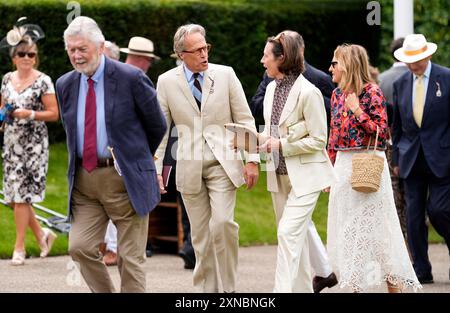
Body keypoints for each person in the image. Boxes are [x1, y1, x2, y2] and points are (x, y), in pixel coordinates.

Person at [56, 16, 166, 293]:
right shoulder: (65, 84)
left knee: (130, 260)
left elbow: (157, 125)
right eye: (72, 50)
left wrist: (136, 158)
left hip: (125, 181)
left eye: (83, 48)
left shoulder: (131, 78)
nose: (77, 56)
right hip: (84, 182)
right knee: (79, 248)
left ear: (101, 46)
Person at [155, 23, 259, 293]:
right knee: (200, 238)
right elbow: (161, 131)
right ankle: (206, 293)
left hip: (223, 164)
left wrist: (252, 160)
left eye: (206, 47)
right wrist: (156, 169)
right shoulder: (166, 82)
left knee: (223, 224)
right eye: (198, 50)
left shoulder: (226, 75)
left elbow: (246, 120)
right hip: (188, 167)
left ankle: (230, 290)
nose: (204, 54)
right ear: (181, 54)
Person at [326, 43, 421, 292]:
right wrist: (328, 170)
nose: (330, 68)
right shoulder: (335, 95)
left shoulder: (372, 92)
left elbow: (382, 133)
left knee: (378, 232)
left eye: (335, 63)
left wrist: (357, 111)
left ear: (348, 64)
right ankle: (355, 286)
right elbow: (333, 136)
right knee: (346, 230)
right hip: (343, 168)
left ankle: (393, 284)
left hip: (368, 166)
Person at [250, 31, 338, 293]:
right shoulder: (270, 90)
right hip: (277, 174)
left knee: (287, 234)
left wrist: (283, 144)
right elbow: (271, 133)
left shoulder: (309, 92)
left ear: (282, 58)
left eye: (266, 56)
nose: (262, 61)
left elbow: (318, 141)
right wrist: (251, 141)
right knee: (294, 241)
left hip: (306, 178)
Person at [392, 34, 450, 284]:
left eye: (416, 59)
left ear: (427, 56)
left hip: (443, 157)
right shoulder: (401, 83)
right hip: (411, 158)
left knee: (439, 210)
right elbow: (397, 126)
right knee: (413, 217)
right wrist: (395, 158)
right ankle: (421, 270)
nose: (412, 64)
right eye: (408, 59)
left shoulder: (446, 78)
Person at [0, 21, 59, 266]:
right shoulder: (6, 79)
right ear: (14, 58)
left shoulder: (44, 81)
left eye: (31, 54)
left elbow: (54, 113)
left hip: (34, 146)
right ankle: (42, 234)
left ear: (36, 58)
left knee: (22, 197)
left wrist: (31, 114)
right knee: (13, 198)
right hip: (12, 144)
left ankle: (20, 247)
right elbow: (2, 109)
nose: (26, 57)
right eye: (22, 54)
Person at [120, 35, 160, 258]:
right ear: (143, 59)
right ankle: (135, 248)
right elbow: (154, 122)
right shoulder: (140, 80)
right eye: (149, 60)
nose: (149, 65)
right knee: (134, 200)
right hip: (133, 151)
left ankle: (125, 247)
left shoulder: (112, 75)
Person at [378, 37, 408, 238]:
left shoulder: (381, 79)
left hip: (389, 144)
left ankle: (398, 236)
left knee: (393, 192)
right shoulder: (416, 76)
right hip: (417, 145)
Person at [99, 40, 120, 266]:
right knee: (99, 199)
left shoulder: (124, 83)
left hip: (118, 151)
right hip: (94, 152)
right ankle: (103, 245)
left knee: (114, 200)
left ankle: (114, 248)